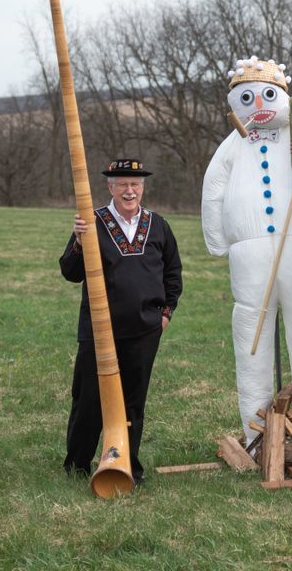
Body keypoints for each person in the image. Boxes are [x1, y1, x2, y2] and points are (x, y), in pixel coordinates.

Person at [201, 56, 292, 443]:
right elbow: (213, 190)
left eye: (268, 96)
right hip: (250, 255)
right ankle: (256, 433)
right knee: (252, 339)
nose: (259, 105)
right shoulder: (231, 148)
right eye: (248, 97)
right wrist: (218, 240)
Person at [59, 158, 182, 485]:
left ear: (142, 188)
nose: (130, 191)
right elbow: (70, 273)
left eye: (136, 184)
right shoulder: (91, 222)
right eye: (123, 184)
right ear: (110, 187)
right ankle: (78, 465)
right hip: (99, 331)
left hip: (144, 331)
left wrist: (165, 315)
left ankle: (126, 465)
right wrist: (77, 241)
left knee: (132, 403)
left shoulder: (158, 225)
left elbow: (173, 274)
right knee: (89, 401)